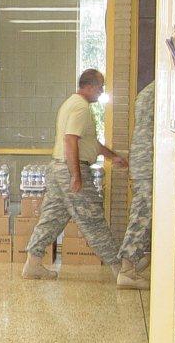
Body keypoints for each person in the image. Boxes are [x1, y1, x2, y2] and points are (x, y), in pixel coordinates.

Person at [22, 69, 128, 280]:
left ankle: (32, 264)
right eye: (100, 86)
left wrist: (112, 156)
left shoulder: (71, 103)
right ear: (89, 86)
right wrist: (76, 175)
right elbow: (70, 140)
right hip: (69, 169)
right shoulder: (80, 107)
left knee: (52, 218)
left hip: (57, 168)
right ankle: (122, 271)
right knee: (92, 220)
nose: (101, 91)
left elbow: (89, 143)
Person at [116, 81, 155, 290]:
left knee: (142, 214)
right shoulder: (159, 89)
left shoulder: (146, 91)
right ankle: (128, 270)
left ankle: (135, 263)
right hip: (149, 162)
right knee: (142, 216)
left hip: (144, 161)